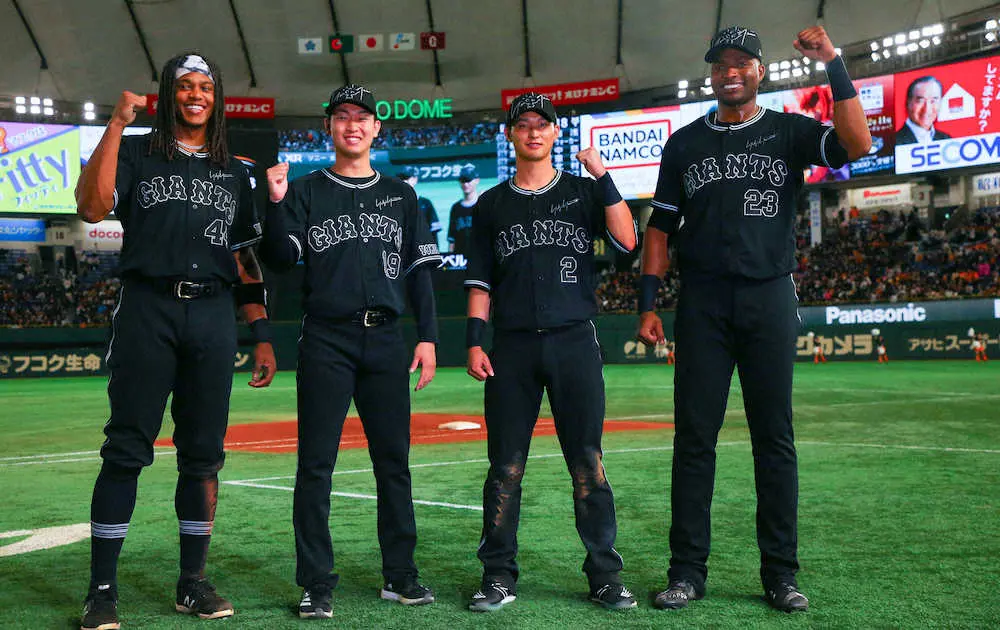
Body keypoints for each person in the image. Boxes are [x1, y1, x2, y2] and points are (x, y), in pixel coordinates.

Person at [636, 25, 871, 612]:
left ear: (760, 71)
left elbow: (858, 145)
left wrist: (833, 64)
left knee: (774, 439)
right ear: (711, 74)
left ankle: (781, 574)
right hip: (704, 303)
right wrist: (647, 302)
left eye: (742, 63)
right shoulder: (685, 144)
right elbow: (660, 230)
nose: (731, 72)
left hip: (768, 295)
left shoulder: (788, 131)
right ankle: (687, 572)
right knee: (694, 439)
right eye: (722, 64)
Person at [74, 52, 276, 630]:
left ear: (217, 98)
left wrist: (260, 333)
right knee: (127, 448)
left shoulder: (236, 171)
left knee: (203, 454)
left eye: (205, 87)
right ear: (168, 94)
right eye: (184, 86)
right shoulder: (137, 150)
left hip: (212, 315)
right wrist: (116, 123)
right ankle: (102, 590)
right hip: (148, 309)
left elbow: (244, 260)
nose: (195, 95)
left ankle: (192, 583)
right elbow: (90, 207)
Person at [260, 84, 442, 619]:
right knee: (315, 465)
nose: (353, 125)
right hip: (327, 338)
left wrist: (428, 336)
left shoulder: (402, 196)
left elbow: (419, 272)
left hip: (386, 339)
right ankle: (316, 581)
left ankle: (400, 575)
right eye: (342, 117)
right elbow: (278, 257)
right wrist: (274, 203)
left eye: (363, 117)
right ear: (330, 128)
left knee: (394, 463)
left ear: (376, 128)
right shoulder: (306, 190)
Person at [464, 92, 639, 612]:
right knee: (505, 468)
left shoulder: (585, 192)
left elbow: (628, 240)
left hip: (573, 340)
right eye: (524, 125)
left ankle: (604, 574)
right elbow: (479, 283)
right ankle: (498, 574)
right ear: (511, 135)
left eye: (543, 124)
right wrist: (474, 341)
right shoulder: (491, 205)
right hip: (512, 347)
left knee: (588, 461)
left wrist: (603, 175)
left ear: (556, 133)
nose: (534, 132)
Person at [895, 76, 951, 145]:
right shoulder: (893, 143)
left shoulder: (946, 140)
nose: (927, 109)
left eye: (933, 100)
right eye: (920, 101)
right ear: (908, 103)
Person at [397, 165, 443, 239]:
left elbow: (434, 232)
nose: (404, 181)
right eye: (401, 178)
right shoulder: (393, 205)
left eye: (407, 178)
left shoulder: (426, 203)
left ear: (415, 179)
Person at [447, 165, 479, 254]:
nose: (465, 184)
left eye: (468, 180)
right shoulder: (456, 208)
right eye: (462, 181)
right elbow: (452, 238)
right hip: (460, 259)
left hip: (480, 258)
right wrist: (450, 257)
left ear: (477, 180)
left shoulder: (484, 204)